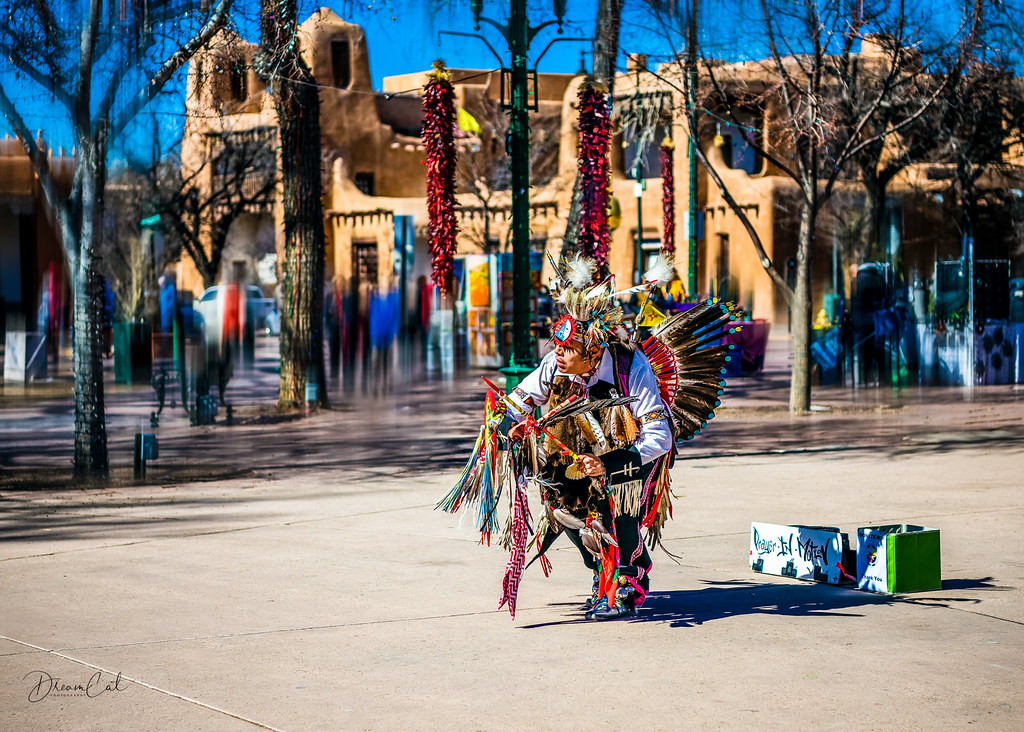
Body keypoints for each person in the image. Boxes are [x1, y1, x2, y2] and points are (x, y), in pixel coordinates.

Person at [503, 266, 674, 620]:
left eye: (569, 348)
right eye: (559, 347)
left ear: (594, 350)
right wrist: (507, 427)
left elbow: (659, 437)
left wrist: (609, 465)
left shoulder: (632, 368)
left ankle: (628, 581)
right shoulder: (557, 364)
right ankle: (599, 570)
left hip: (632, 451)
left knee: (618, 509)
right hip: (580, 448)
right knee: (561, 503)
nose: (558, 354)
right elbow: (518, 403)